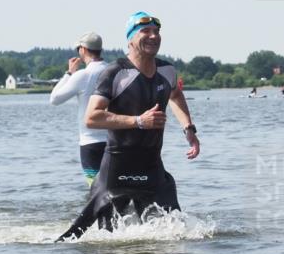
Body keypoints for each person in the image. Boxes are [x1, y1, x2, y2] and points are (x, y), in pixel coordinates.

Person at [57, 13, 200, 241]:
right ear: (130, 39)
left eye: (157, 32)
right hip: (117, 168)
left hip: (152, 166)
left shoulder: (167, 71)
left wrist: (189, 129)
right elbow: (92, 118)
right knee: (97, 239)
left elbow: (175, 94)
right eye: (146, 31)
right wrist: (138, 121)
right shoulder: (115, 72)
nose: (154, 36)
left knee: (178, 235)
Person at [49, 32, 110, 185]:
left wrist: (69, 73)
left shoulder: (83, 75)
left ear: (83, 49)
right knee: (118, 189)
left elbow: (54, 99)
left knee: (95, 190)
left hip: (91, 143)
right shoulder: (113, 71)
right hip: (116, 141)